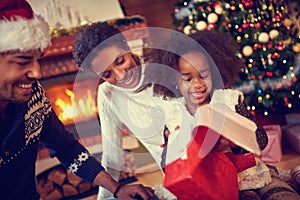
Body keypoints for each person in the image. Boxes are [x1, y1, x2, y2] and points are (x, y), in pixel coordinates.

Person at [0, 1, 155, 200]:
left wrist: (116, 189)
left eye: (38, 59)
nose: (37, 72)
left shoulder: (34, 97)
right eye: (23, 61)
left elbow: (67, 149)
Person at [150, 30, 300, 199]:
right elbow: (166, 166)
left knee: (280, 194)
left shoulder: (229, 100)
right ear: (174, 81)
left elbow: (262, 140)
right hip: (207, 181)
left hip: (246, 173)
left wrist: (234, 143)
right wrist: (173, 149)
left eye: (204, 75)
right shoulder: (173, 113)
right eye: (188, 79)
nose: (198, 84)